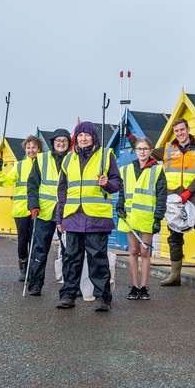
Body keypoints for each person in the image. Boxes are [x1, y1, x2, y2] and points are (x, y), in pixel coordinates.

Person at [55, 121, 122, 311]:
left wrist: (107, 183)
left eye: (87, 135)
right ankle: (68, 295)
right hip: (73, 216)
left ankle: (103, 298)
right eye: (80, 135)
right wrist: (60, 218)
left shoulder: (105, 156)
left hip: (96, 218)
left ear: (94, 137)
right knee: (71, 258)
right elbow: (62, 191)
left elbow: (117, 184)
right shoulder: (68, 160)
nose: (84, 138)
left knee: (97, 258)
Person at [157, 118, 195, 286]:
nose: (179, 133)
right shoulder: (168, 149)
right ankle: (175, 275)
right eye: (176, 131)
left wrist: (189, 192)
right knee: (174, 234)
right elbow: (146, 151)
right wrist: (133, 138)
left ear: (188, 129)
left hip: (194, 195)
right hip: (173, 198)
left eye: (182, 130)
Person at [115, 137, 166, 300]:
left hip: (147, 217)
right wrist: (119, 207)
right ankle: (134, 287)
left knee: (145, 252)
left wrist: (158, 217)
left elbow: (161, 195)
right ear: (135, 151)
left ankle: (144, 287)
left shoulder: (157, 170)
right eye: (139, 149)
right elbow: (122, 193)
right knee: (133, 251)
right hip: (129, 217)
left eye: (145, 149)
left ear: (150, 151)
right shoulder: (126, 169)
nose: (142, 152)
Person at [25, 129, 71, 295]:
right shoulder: (41, 159)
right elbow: (32, 185)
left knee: (68, 250)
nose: (61, 143)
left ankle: (69, 286)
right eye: (58, 140)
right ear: (53, 143)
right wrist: (33, 205)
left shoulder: (73, 159)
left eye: (64, 141)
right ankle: (35, 284)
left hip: (65, 214)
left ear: (69, 144)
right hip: (43, 212)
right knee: (39, 249)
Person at [0, 135, 42, 282]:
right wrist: (0, 170)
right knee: (23, 240)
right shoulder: (19, 165)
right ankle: (23, 268)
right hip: (21, 210)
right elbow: (6, 182)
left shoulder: (44, 164)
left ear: (39, 148)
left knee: (36, 242)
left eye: (33, 147)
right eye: (28, 147)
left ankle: (33, 270)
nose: (31, 150)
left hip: (39, 210)